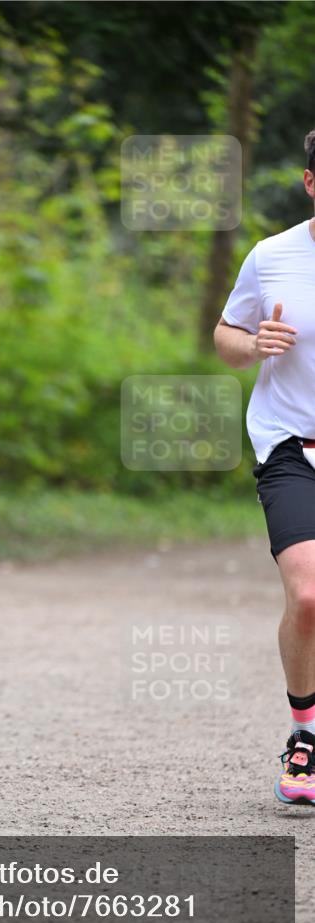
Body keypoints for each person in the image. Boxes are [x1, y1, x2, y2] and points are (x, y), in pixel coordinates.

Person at [214, 129, 315, 806]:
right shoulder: (270, 256)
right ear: (310, 184)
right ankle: (303, 735)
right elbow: (225, 339)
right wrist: (254, 343)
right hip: (290, 445)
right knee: (307, 596)